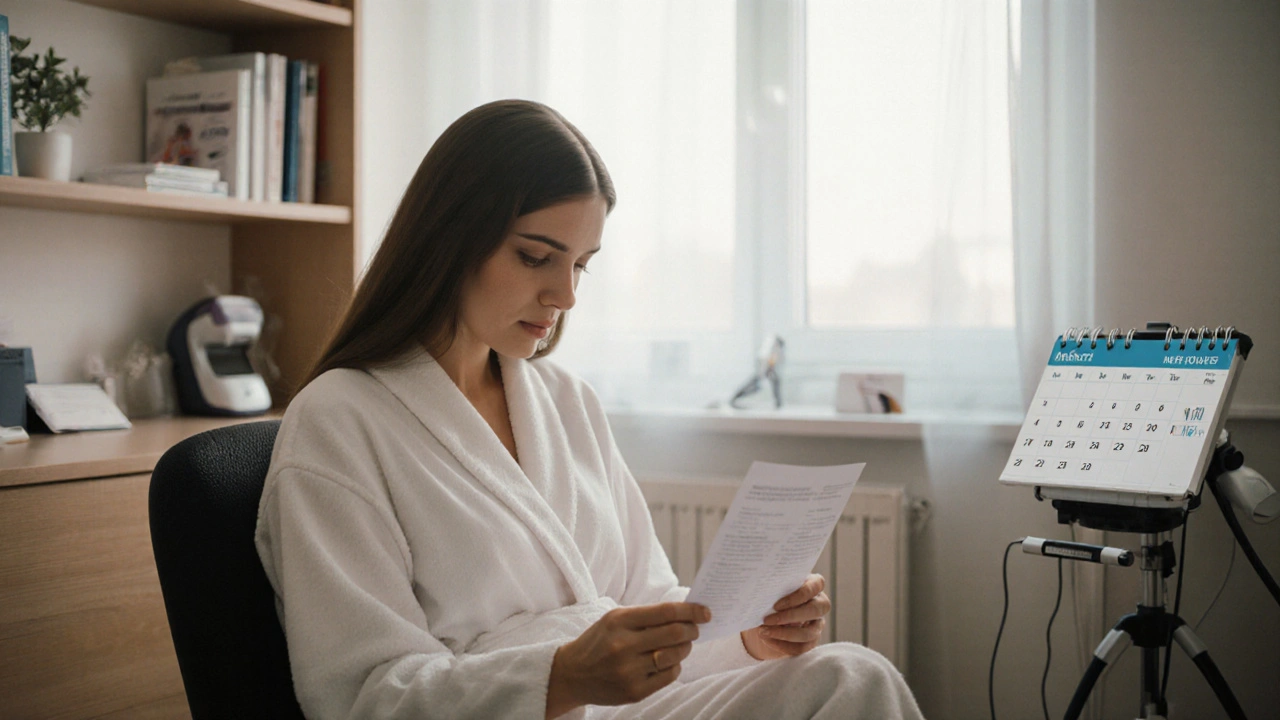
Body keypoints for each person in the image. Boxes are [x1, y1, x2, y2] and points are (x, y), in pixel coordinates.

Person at [255, 99, 923, 720]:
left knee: (852, 674)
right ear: (448, 236)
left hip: (615, 711)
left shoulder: (565, 401)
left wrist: (747, 636)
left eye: (581, 265)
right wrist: (560, 677)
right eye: (536, 256)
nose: (565, 296)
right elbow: (361, 694)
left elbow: (650, 609)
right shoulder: (340, 422)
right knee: (850, 684)